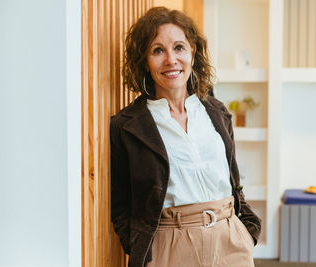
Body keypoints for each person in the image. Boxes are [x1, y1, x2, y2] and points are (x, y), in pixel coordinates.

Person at [110, 6, 261, 267]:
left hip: (230, 241)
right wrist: (144, 252)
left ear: (192, 51)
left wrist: (247, 231)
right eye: (158, 50)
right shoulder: (128, 126)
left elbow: (234, 180)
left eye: (179, 47)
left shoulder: (217, 112)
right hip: (169, 247)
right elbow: (121, 205)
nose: (171, 60)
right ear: (145, 60)